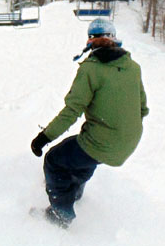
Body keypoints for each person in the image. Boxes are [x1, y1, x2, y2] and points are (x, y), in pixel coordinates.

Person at [30, 17, 148, 227]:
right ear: (114, 40)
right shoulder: (133, 67)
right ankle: (73, 192)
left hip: (103, 141)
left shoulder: (91, 69)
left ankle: (60, 214)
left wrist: (44, 137)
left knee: (54, 160)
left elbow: (72, 110)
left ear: (89, 42)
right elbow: (143, 108)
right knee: (82, 154)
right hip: (129, 141)